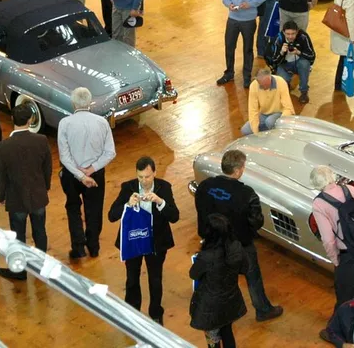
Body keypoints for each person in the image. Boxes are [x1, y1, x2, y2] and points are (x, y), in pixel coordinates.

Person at [195, 149, 283, 322]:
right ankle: (263, 309)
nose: (243, 169)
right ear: (237, 171)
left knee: (220, 279)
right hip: (240, 244)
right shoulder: (246, 194)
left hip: (212, 242)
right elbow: (257, 221)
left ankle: (222, 313)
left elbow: (200, 209)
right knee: (252, 276)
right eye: (243, 166)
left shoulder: (205, 186)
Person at [107, 156, 179, 324]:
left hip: (156, 241)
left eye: (147, 176)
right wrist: (127, 204)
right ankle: (132, 313)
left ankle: (156, 313)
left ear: (154, 173)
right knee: (132, 278)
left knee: (155, 279)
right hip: (134, 240)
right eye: (140, 177)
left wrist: (160, 202)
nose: (144, 181)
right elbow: (111, 215)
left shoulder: (164, 187)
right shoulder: (128, 187)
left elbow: (174, 217)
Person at [310, 165, 354, 328]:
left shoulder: (319, 204)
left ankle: (340, 331)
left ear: (315, 183)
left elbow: (328, 239)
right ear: (333, 177)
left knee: (346, 299)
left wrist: (336, 260)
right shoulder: (352, 190)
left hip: (350, 256)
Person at [57, 87, 116, 259]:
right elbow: (110, 152)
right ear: (90, 102)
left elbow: (64, 156)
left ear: (73, 103)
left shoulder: (65, 123)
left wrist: (80, 175)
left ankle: (78, 247)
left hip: (72, 174)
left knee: (73, 207)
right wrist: (91, 170)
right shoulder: (102, 122)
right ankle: (94, 246)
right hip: (95, 175)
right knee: (94, 209)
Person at [0, 104, 52, 273]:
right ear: (30, 120)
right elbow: (47, 169)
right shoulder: (42, 140)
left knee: (18, 236)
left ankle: (19, 271)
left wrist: (1, 196)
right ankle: (41, 266)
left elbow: (1, 175)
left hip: (16, 198)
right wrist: (45, 187)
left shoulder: (4, 146)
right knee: (40, 231)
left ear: (12, 119)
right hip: (38, 195)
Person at [189, 213, 249, 348]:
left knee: (213, 340)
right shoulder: (236, 247)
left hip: (210, 307)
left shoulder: (206, 256)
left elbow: (193, 274)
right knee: (228, 333)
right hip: (230, 300)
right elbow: (245, 268)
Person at [217, 0, 267, 88]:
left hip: (249, 19)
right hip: (233, 18)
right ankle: (229, 73)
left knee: (248, 49)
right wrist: (229, 5)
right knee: (229, 46)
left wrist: (250, 4)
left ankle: (247, 76)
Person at [267, 20, 316, 104]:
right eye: (288, 34)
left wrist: (299, 52)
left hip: (299, 63)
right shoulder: (279, 38)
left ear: (297, 32)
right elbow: (274, 61)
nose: (290, 37)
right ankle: (286, 85)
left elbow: (312, 56)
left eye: (293, 34)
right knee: (283, 84)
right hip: (284, 65)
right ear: (283, 32)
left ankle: (304, 92)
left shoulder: (303, 36)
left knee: (305, 64)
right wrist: (281, 52)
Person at [241, 67, 293, 135]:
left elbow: (288, 108)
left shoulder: (281, 82)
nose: (265, 87)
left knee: (270, 122)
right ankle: (267, 132)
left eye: (266, 84)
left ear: (270, 77)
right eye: (262, 85)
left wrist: (282, 122)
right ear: (257, 81)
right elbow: (253, 110)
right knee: (245, 130)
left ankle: (273, 135)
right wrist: (256, 133)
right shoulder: (253, 86)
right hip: (263, 114)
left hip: (279, 113)